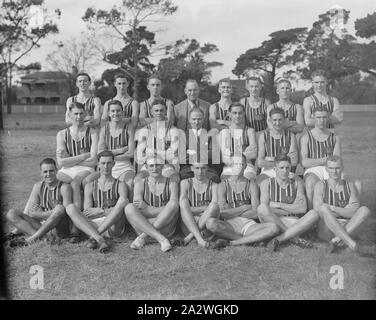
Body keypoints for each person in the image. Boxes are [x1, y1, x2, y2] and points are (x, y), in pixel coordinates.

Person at [5, 158, 110, 252]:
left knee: (59, 208)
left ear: (56, 171)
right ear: (41, 173)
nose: (48, 174)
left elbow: (64, 212)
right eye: (45, 171)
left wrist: (41, 213)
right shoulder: (37, 187)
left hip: (58, 229)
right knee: (11, 213)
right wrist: (49, 213)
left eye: (51, 171)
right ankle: (44, 238)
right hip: (42, 226)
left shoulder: (64, 187)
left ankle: (31, 239)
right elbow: (32, 213)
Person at [205, 155, 279, 248]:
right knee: (210, 223)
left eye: (241, 164)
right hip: (230, 224)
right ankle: (250, 240)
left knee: (274, 227)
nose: (239, 166)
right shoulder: (223, 185)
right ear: (231, 165)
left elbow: (255, 213)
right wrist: (244, 208)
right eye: (236, 164)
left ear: (245, 166)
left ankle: (233, 242)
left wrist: (232, 211)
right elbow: (222, 213)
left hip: (249, 224)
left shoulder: (251, 184)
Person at [258, 154, 319, 252]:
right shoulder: (266, 183)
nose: (284, 171)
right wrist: (292, 208)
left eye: (287, 168)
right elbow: (265, 209)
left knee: (314, 214)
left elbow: (302, 208)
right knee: (262, 208)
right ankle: (295, 238)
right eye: (281, 168)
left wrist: (278, 205)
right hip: (274, 221)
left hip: (294, 222)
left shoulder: (296, 183)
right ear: (275, 168)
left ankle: (278, 239)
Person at [56, 102, 98, 241]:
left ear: (85, 114)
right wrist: (83, 156)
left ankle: (75, 228)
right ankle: (60, 222)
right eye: (75, 113)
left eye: (81, 113)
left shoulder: (92, 132)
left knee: (75, 184)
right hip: (67, 169)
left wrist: (71, 159)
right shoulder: (62, 134)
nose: (79, 117)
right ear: (69, 115)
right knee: (59, 183)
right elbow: (60, 162)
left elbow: (93, 161)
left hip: (86, 168)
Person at [313, 156, 370, 253]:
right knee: (323, 207)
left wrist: (332, 208)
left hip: (347, 225)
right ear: (326, 169)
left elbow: (354, 211)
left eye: (337, 168)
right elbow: (319, 211)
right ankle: (351, 243)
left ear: (342, 168)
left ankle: (336, 240)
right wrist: (345, 210)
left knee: (365, 210)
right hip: (327, 229)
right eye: (331, 168)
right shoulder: (320, 185)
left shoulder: (350, 186)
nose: (334, 171)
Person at [124, 155, 179, 252]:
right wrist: (163, 210)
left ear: (163, 166)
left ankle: (144, 237)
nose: (154, 168)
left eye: (158, 165)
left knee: (173, 204)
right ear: (146, 167)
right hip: (145, 226)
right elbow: (139, 210)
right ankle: (161, 239)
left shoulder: (171, 183)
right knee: (129, 207)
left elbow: (174, 207)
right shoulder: (140, 183)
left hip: (164, 227)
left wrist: (148, 209)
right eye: (151, 165)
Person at [83, 151, 129, 248]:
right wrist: (110, 211)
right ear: (98, 164)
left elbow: (122, 208)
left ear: (113, 164)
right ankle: (98, 238)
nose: (106, 166)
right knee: (71, 209)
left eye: (109, 163)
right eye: (103, 163)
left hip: (113, 227)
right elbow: (87, 212)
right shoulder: (90, 186)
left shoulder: (121, 185)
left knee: (123, 201)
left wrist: (101, 211)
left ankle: (94, 236)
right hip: (94, 224)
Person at [300, 107, 341, 209]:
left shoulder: (335, 137)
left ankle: (339, 213)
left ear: (328, 118)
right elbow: (304, 163)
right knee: (310, 183)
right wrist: (326, 159)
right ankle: (311, 213)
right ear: (313, 118)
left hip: (330, 168)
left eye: (324, 117)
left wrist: (317, 161)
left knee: (342, 180)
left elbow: (336, 160)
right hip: (312, 170)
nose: (321, 120)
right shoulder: (306, 137)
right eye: (318, 117)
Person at [96, 100, 135, 195]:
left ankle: (127, 207)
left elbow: (131, 153)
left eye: (118, 111)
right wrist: (120, 150)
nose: (115, 113)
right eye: (113, 111)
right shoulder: (104, 129)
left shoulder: (129, 128)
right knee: (89, 181)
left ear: (122, 112)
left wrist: (109, 154)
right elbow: (100, 152)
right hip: (107, 165)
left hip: (124, 165)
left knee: (129, 183)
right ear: (109, 113)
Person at [179, 162, 220, 248]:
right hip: (189, 224)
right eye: (197, 168)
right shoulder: (185, 183)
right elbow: (182, 208)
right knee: (183, 202)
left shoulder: (214, 185)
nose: (200, 171)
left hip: (206, 226)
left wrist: (191, 210)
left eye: (203, 168)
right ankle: (199, 238)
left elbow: (215, 208)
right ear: (192, 168)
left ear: (207, 168)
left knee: (214, 206)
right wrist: (205, 208)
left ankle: (190, 237)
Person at [136, 99, 180, 179]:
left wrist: (152, 151)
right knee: (137, 179)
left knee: (174, 179)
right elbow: (140, 156)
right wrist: (164, 153)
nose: (159, 113)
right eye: (156, 111)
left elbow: (172, 155)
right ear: (151, 112)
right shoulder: (144, 130)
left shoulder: (173, 130)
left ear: (166, 111)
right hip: (149, 167)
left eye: (161, 110)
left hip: (166, 166)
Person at [179, 107, 221, 181]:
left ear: (203, 120)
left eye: (199, 119)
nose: (196, 122)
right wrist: (204, 152)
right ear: (189, 120)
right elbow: (182, 157)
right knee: (184, 178)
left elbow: (214, 155)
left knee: (215, 179)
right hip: (189, 169)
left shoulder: (211, 135)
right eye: (194, 119)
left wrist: (192, 152)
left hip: (207, 169)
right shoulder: (183, 136)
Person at [257, 107, 298, 180]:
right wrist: (284, 160)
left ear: (284, 120)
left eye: (280, 120)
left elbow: (294, 162)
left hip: (286, 171)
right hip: (268, 172)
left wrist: (270, 159)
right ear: (270, 120)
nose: (277, 123)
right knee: (259, 183)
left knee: (300, 184)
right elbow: (260, 163)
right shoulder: (264, 136)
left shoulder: (291, 136)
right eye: (274, 120)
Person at [219, 102, 257, 180]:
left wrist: (232, 154)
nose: (237, 116)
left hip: (247, 166)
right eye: (234, 113)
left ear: (244, 114)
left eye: (240, 113)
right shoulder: (225, 132)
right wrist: (244, 151)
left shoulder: (250, 131)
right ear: (229, 114)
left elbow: (253, 154)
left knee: (247, 179)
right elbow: (224, 156)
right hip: (229, 166)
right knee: (227, 181)